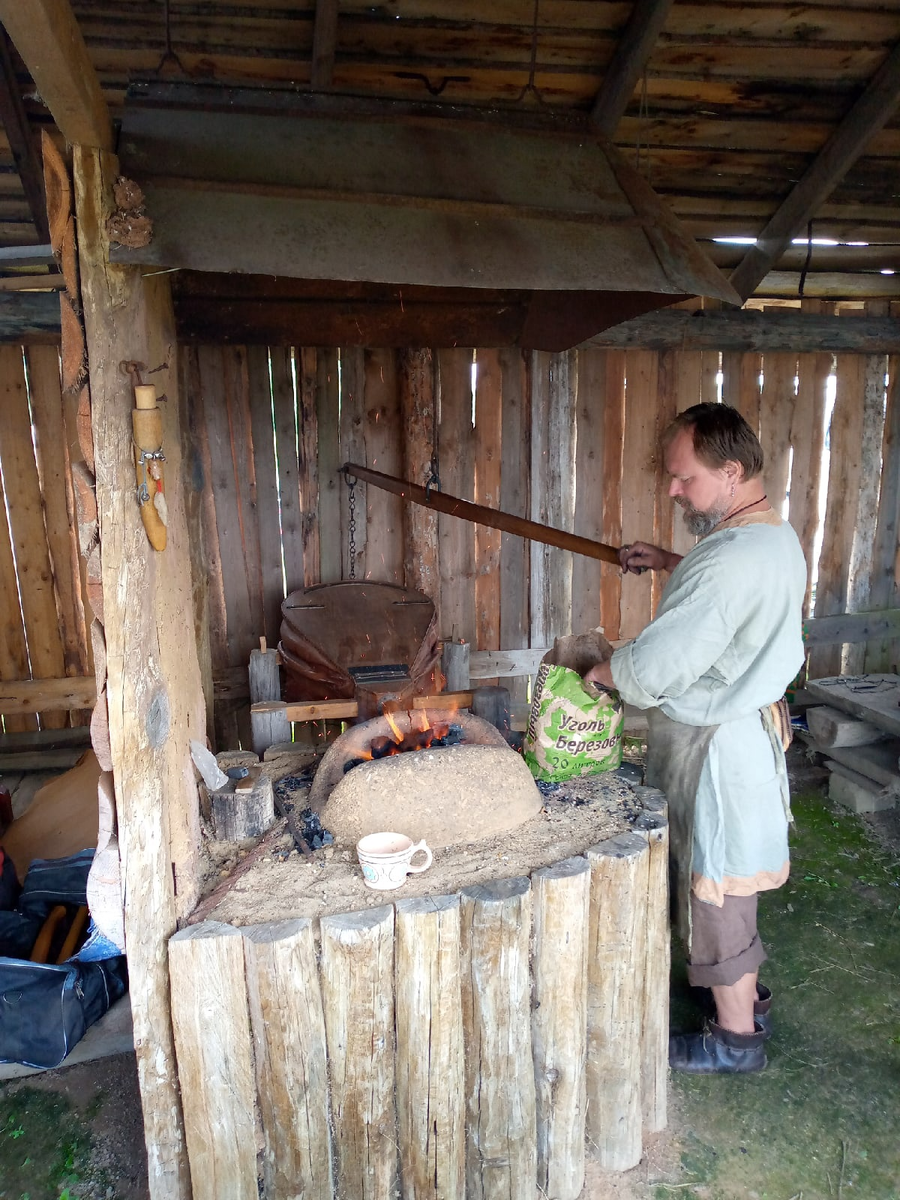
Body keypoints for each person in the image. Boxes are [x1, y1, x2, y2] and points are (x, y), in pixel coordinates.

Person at [584, 402, 806, 1074]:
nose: (674, 489)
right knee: (733, 884)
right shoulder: (771, 536)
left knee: (719, 889)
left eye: (685, 478)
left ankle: (735, 1040)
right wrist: (672, 561)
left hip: (718, 749)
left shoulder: (729, 563)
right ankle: (743, 999)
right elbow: (729, 586)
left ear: (731, 471)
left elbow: (655, 669)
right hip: (747, 738)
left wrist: (600, 671)